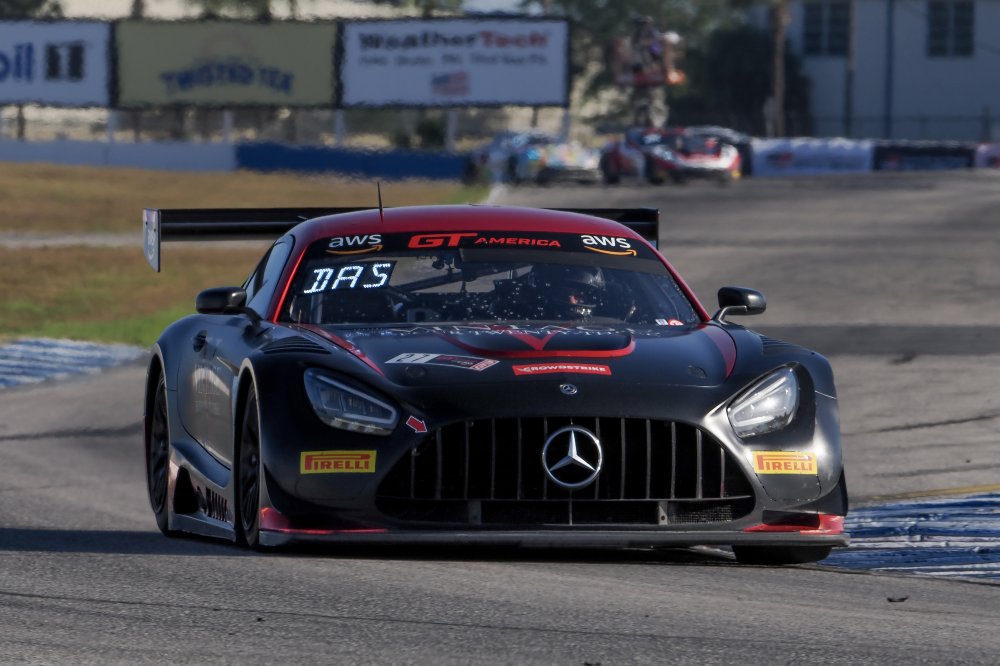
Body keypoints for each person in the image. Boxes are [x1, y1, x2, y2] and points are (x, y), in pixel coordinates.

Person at [529, 264, 607, 320]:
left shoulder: (602, 325)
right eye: (564, 294)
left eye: (578, 295)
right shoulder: (530, 317)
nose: (572, 300)